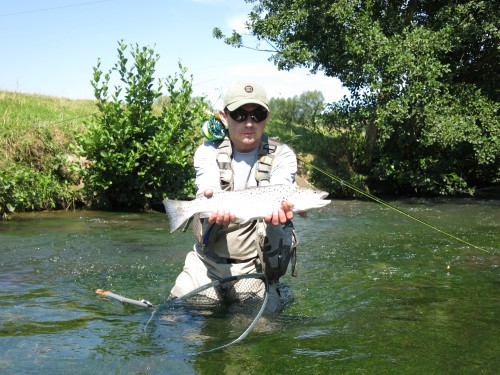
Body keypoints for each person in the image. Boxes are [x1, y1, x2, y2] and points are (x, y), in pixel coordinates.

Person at [169, 81, 298, 313]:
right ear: (224, 116)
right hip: (205, 265)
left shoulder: (283, 155)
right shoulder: (207, 151)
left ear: (266, 117)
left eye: (257, 115)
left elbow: (282, 189)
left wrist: (287, 209)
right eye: (239, 115)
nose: (249, 123)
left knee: (263, 333)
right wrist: (210, 204)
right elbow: (207, 190)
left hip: (255, 270)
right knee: (176, 320)